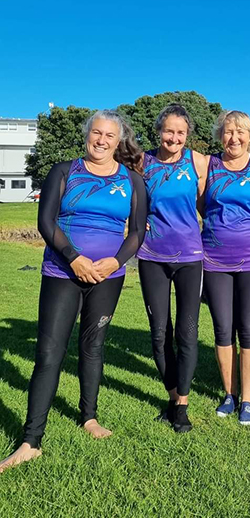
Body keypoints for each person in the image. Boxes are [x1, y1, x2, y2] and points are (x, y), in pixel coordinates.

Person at [0, 110, 146, 473]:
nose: (101, 140)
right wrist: (73, 258)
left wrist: (116, 262)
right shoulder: (64, 171)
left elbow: (137, 233)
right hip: (62, 272)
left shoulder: (133, 181)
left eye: (109, 136)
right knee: (50, 352)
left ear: (119, 140)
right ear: (87, 135)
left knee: (93, 347)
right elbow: (45, 221)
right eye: (96, 133)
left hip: (107, 276)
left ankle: (89, 417)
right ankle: (31, 440)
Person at [201, 110, 250, 425]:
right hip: (214, 260)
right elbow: (200, 203)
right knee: (222, 330)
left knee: (248, 329)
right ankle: (229, 395)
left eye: (240, 132)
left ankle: (247, 400)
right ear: (221, 134)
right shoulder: (210, 165)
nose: (233, 138)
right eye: (228, 131)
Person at [137, 104, 208, 433]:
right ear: (158, 131)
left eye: (180, 132)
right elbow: (132, 203)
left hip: (191, 257)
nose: (174, 137)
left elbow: (210, 204)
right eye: (169, 131)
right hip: (152, 256)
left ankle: (182, 404)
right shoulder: (142, 162)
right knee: (159, 334)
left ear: (187, 134)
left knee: (187, 333)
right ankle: (171, 395)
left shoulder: (197, 162)